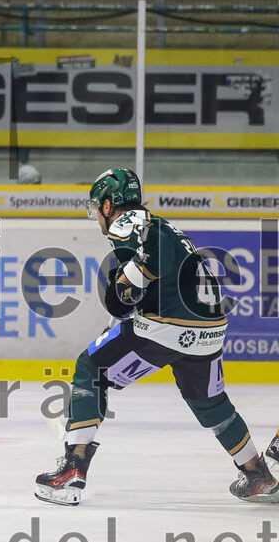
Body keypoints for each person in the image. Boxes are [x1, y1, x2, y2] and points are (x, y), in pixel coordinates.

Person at [35, 168, 279, 505]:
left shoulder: (128, 221)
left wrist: (125, 282)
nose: (97, 216)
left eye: (97, 207)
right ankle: (258, 476)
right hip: (210, 329)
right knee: (211, 404)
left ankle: (72, 470)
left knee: (90, 370)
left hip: (168, 326)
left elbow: (152, 264)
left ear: (108, 205)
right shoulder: (163, 225)